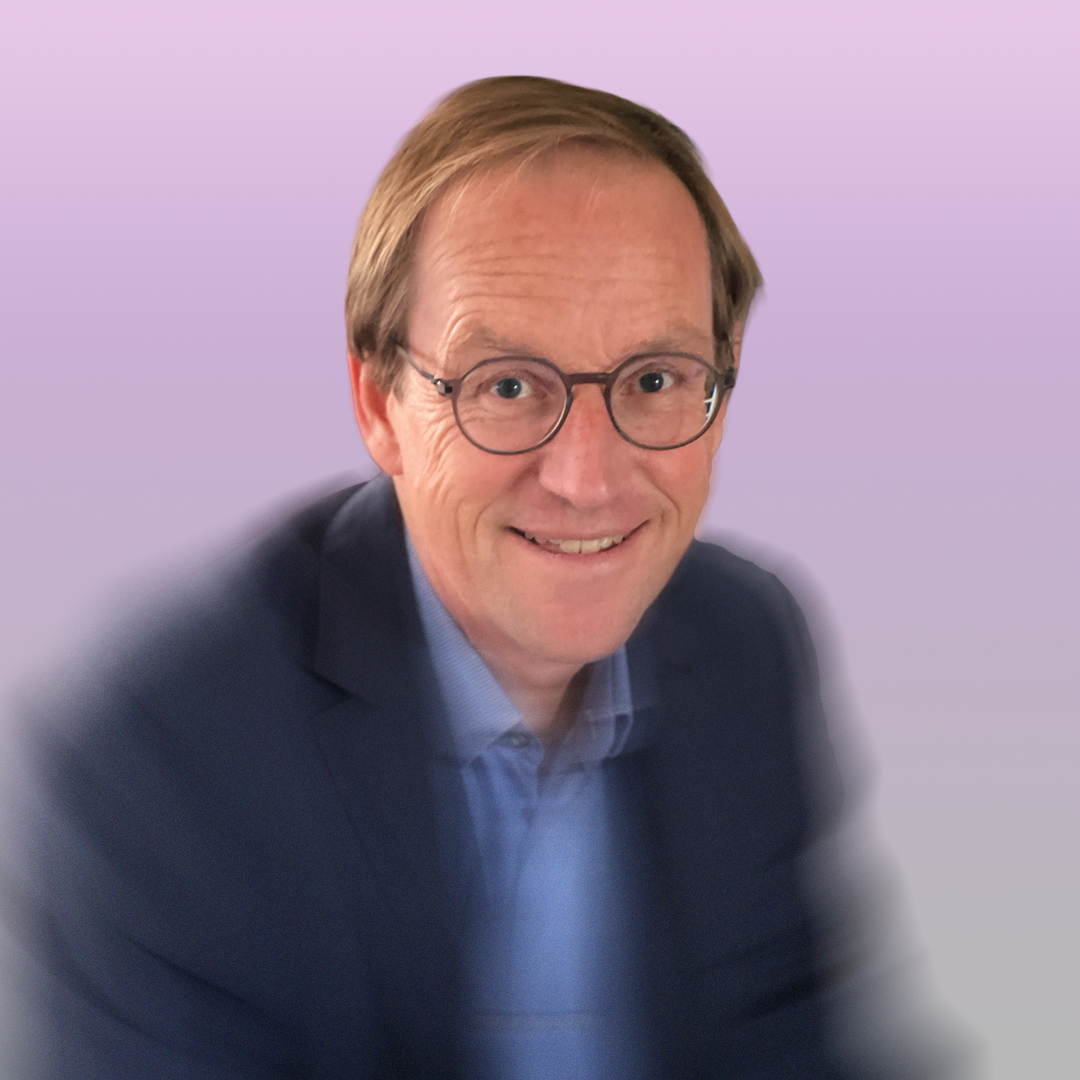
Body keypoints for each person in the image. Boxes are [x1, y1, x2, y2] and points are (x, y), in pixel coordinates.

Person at [0, 76, 967, 1078]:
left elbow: (796, 1049)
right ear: (379, 406)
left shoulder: (745, 645)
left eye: (654, 380)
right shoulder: (167, 757)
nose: (588, 480)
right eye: (507, 385)